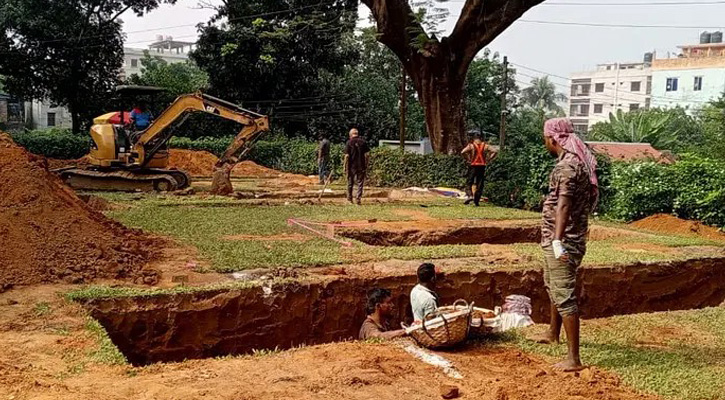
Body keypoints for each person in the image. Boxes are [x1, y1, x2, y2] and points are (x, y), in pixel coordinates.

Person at [532, 118, 598, 372]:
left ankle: (574, 359)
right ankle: (552, 333)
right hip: (560, 237)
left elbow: (564, 204)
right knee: (553, 286)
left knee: (564, 294)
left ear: (553, 138)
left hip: (564, 240)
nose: (544, 142)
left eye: (544, 137)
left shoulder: (568, 167)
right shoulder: (573, 162)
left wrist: (558, 240)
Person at [460, 133, 498, 206]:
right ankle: (476, 201)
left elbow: (463, 152)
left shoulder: (471, 146)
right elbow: (495, 151)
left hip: (473, 166)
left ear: (474, 139)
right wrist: (489, 159)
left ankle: (470, 195)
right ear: (481, 139)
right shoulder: (486, 146)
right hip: (482, 166)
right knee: (480, 184)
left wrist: (468, 158)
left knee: (469, 182)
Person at [343, 128, 370, 205]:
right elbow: (367, 155)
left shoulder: (349, 142)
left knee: (350, 182)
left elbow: (347, 156)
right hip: (361, 166)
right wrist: (366, 165)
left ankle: (350, 199)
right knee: (360, 183)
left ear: (351, 135)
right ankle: (358, 199)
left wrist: (344, 166)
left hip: (351, 167)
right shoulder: (363, 142)